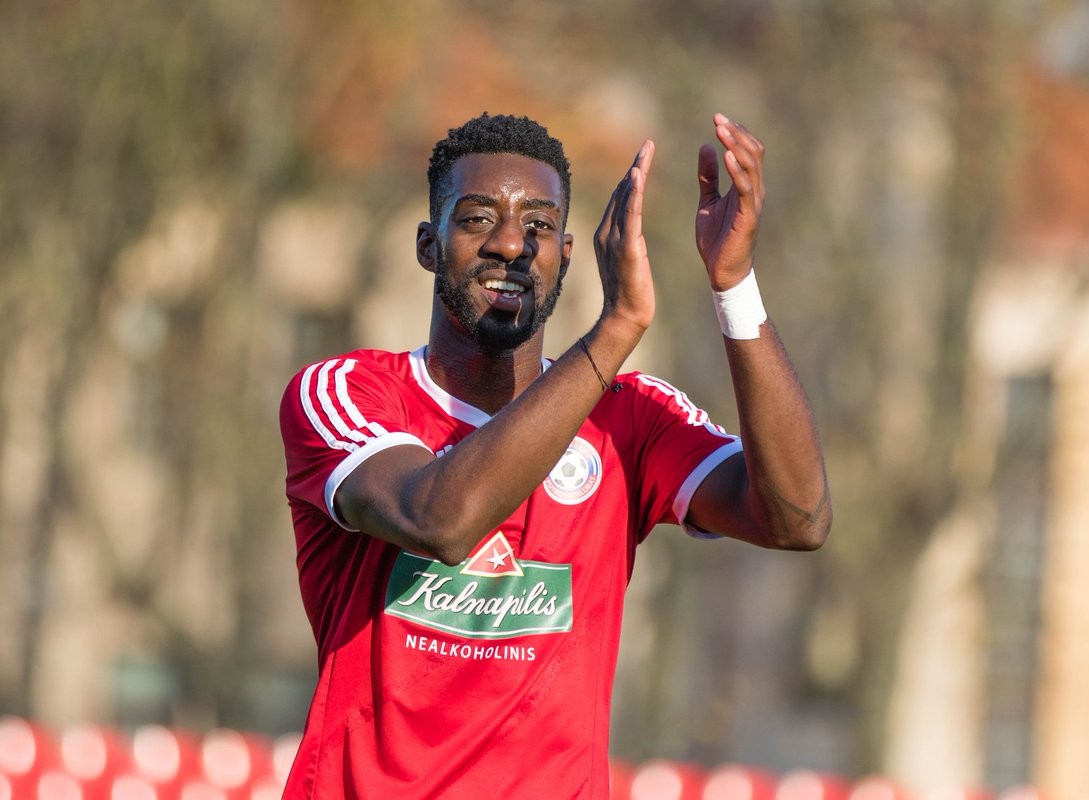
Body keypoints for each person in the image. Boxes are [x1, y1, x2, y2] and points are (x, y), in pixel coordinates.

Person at [278, 111, 831, 799]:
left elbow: (797, 517)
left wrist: (734, 285)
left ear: (566, 255)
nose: (511, 244)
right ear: (428, 245)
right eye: (478, 219)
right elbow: (440, 521)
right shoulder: (346, 393)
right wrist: (615, 329)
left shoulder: (630, 419)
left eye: (538, 225)